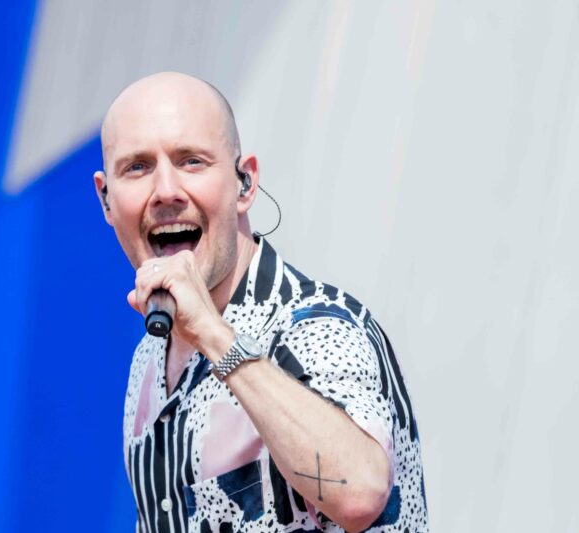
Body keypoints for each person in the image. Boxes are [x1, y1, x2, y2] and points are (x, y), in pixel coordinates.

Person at [93, 72, 428, 533]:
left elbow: (360, 492)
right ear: (106, 200)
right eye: (137, 167)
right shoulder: (150, 359)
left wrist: (216, 338)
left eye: (192, 161)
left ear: (245, 183)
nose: (166, 190)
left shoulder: (316, 326)